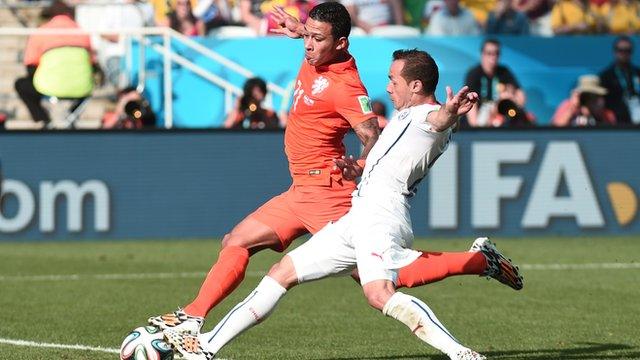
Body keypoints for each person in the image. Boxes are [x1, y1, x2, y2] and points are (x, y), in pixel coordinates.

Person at [149, 2, 516, 335]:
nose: (308, 44)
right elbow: (312, 40)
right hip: (299, 191)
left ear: (340, 44)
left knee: (382, 279)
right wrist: (300, 30)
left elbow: (370, 132)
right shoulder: (316, 54)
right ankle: (192, 317)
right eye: (307, 35)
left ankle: (477, 261)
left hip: (328, 192)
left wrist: (359, 164)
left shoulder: (345, 85)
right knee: (235, 241)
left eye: (316, 38)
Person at [14, 0, 96, 126]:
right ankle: (71, 116)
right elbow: (92, 64)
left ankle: (44, 120)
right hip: (82, 88)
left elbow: (30, 65)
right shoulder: (83, 33)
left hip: (48, 88)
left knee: (21, 84)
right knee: (92, 82)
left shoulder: (41, 32)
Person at [463, 38, 528, 127]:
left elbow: (520, 96)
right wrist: (476, 128)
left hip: (501, 118)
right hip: (480, 119)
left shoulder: (504, 72)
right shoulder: (473, 74)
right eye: (489, 53)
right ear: (482, 54)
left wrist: (511, 98)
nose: (493, 57)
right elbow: (471, 104)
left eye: (496, 53)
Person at [599, 36, 640, 125]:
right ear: (615, 52)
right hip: (617, 123)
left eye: (628, 50)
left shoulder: (637, 73)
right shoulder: (606, 76)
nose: (624, 53)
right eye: (621, 50)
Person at [552, 75, 616, 127]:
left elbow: (611, 135)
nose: (588, 99)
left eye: (593, 95)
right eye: (585, 95)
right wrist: (573, 108)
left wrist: (599, 113)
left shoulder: (606, 113)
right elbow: (555, 128)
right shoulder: (568, 106)